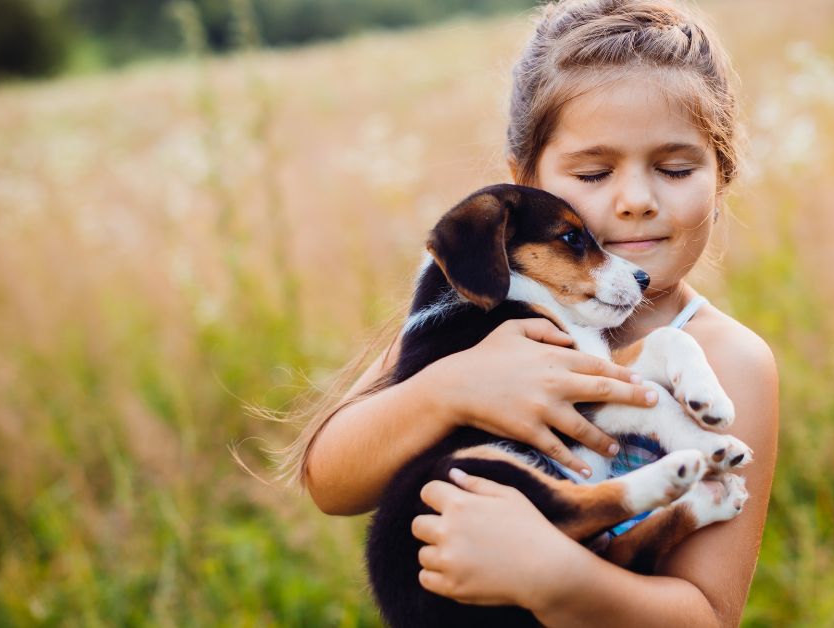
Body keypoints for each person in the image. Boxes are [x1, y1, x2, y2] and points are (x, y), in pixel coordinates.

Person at [278, 1, 778, 625]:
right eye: (594, 173)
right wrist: (448, 390)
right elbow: (331, 482)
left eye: (675, 168)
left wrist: (555, 576)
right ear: (524, 185)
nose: (635, 201)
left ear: (722, 172)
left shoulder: (732, 362)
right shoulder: (471, 325)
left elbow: (708, 616)